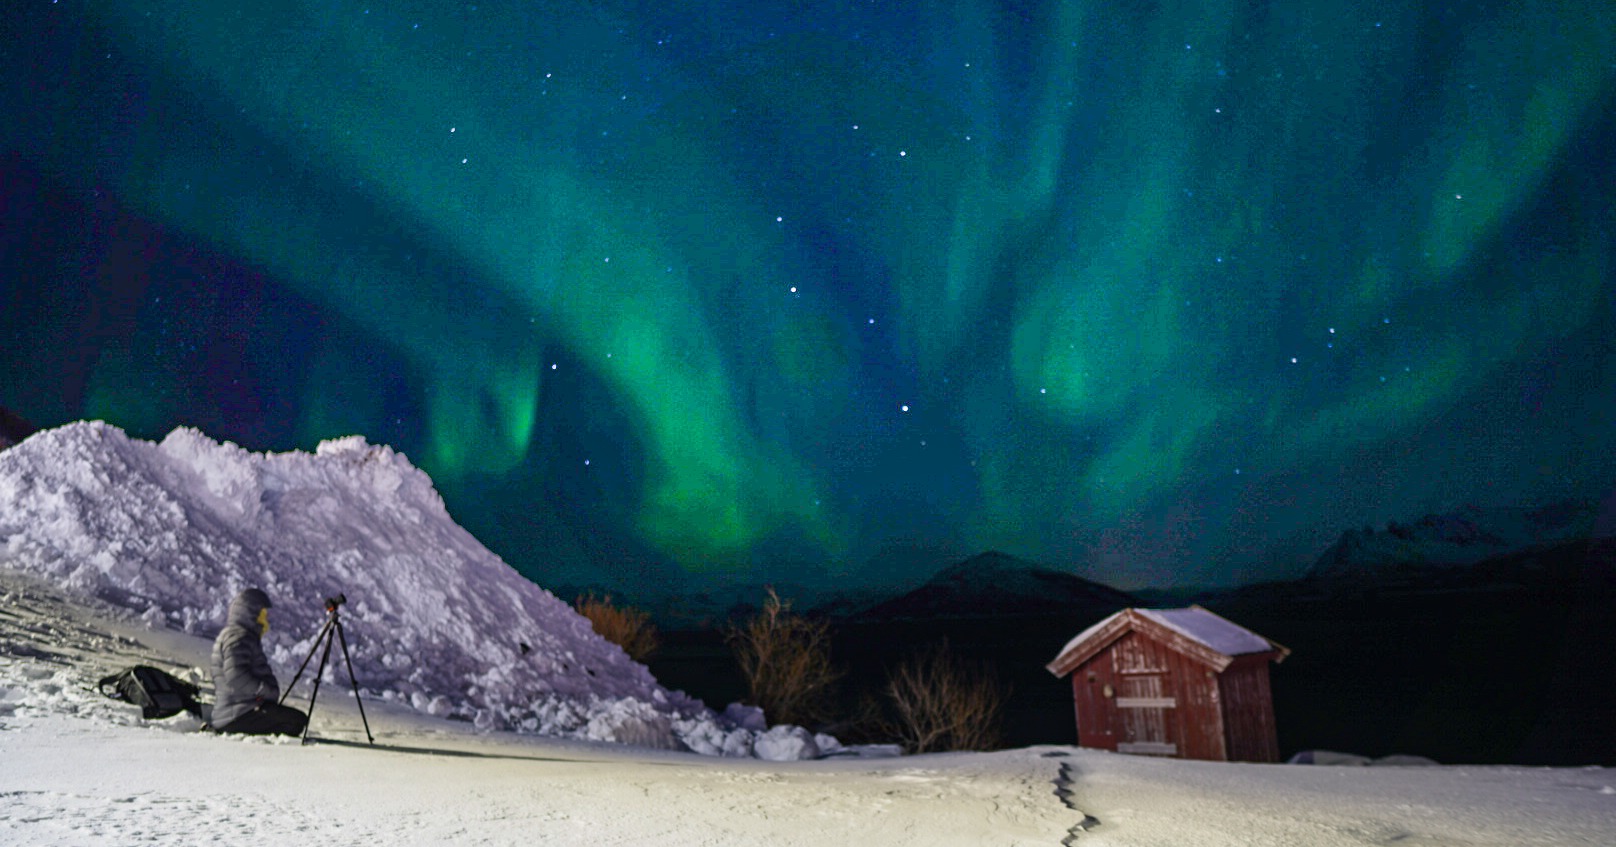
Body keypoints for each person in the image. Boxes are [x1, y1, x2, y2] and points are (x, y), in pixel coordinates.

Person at [209, 587, 308, 736]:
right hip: (237, 714)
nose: (265, 621)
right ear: (250, 614)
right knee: (295, 721)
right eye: (262, 615)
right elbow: (236, 676)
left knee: (294, 719)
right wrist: (265, 691)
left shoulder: (236, 635)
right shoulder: (238, 637)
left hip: (238, 709)